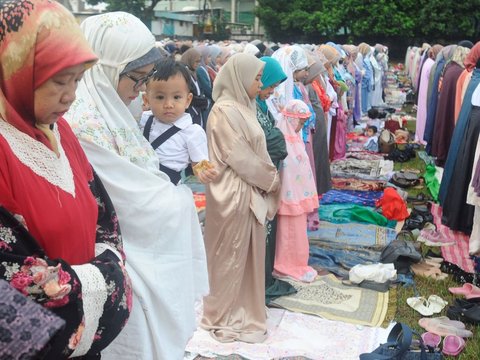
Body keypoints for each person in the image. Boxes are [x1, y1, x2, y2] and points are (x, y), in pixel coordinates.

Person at [64, 12, 208, 359]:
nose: (140, 90)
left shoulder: (113, 107)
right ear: (106, 68)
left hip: (135, 254)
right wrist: (177, 199)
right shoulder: (81, 120)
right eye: (137, 78)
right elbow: (123, 200)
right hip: (122, 259)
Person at [0, 1, 131, 358]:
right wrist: (100, 281)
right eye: (59, 81)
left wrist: (103, 270)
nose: (71, 95)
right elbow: (10, 271)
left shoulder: (61, 132)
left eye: (77, 80)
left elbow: (105, 221)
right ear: (17, 70)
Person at [201, 53, 280, 343]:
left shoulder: (244, 106)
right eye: (257, 77)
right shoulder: (223, 111)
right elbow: (239, 157)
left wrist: (267, 180)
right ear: (239, 77)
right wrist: (271, 180)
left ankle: (247, 307)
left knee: (249, 255)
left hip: (249, 189)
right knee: (231, 255)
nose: (260, 84)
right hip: (233, 193)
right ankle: (224, 313)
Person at [255, 56, 296, 303]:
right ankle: (260, 281)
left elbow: (274, 137)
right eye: (269, 84)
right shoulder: (247, 107)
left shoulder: (260, 104)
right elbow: (267, 140)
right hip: (259, 177)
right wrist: (277, 141)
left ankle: (265, 277)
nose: (271, 91)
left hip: (269, 175)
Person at [140, 58, 217, 185]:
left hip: (168, 189)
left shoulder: (192, 132)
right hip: (140, 184)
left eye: (176, 97)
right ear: (146, 100)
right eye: (160, 97)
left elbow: (199, 162)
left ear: (188, 100)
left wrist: (204, 173)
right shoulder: (143, 119)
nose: (169, 104)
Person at [273, 99, 318, 283]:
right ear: (291, 119)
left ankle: (297, 261)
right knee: (287, 233)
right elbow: (286, 169)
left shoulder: (295, 138)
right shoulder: (282, 140)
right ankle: (285, 263)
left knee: (297, 232)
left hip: (297, 196)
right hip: (288, 198)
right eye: (300, 122)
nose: (301, 126)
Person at [180, 48, 209, 127]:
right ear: (190, 60)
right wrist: (201, 101)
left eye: (199, 62)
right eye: (196, 61)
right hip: (190, 112)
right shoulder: (184, 73)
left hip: (197, 111)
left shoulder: (193, 72)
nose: (198, 64)